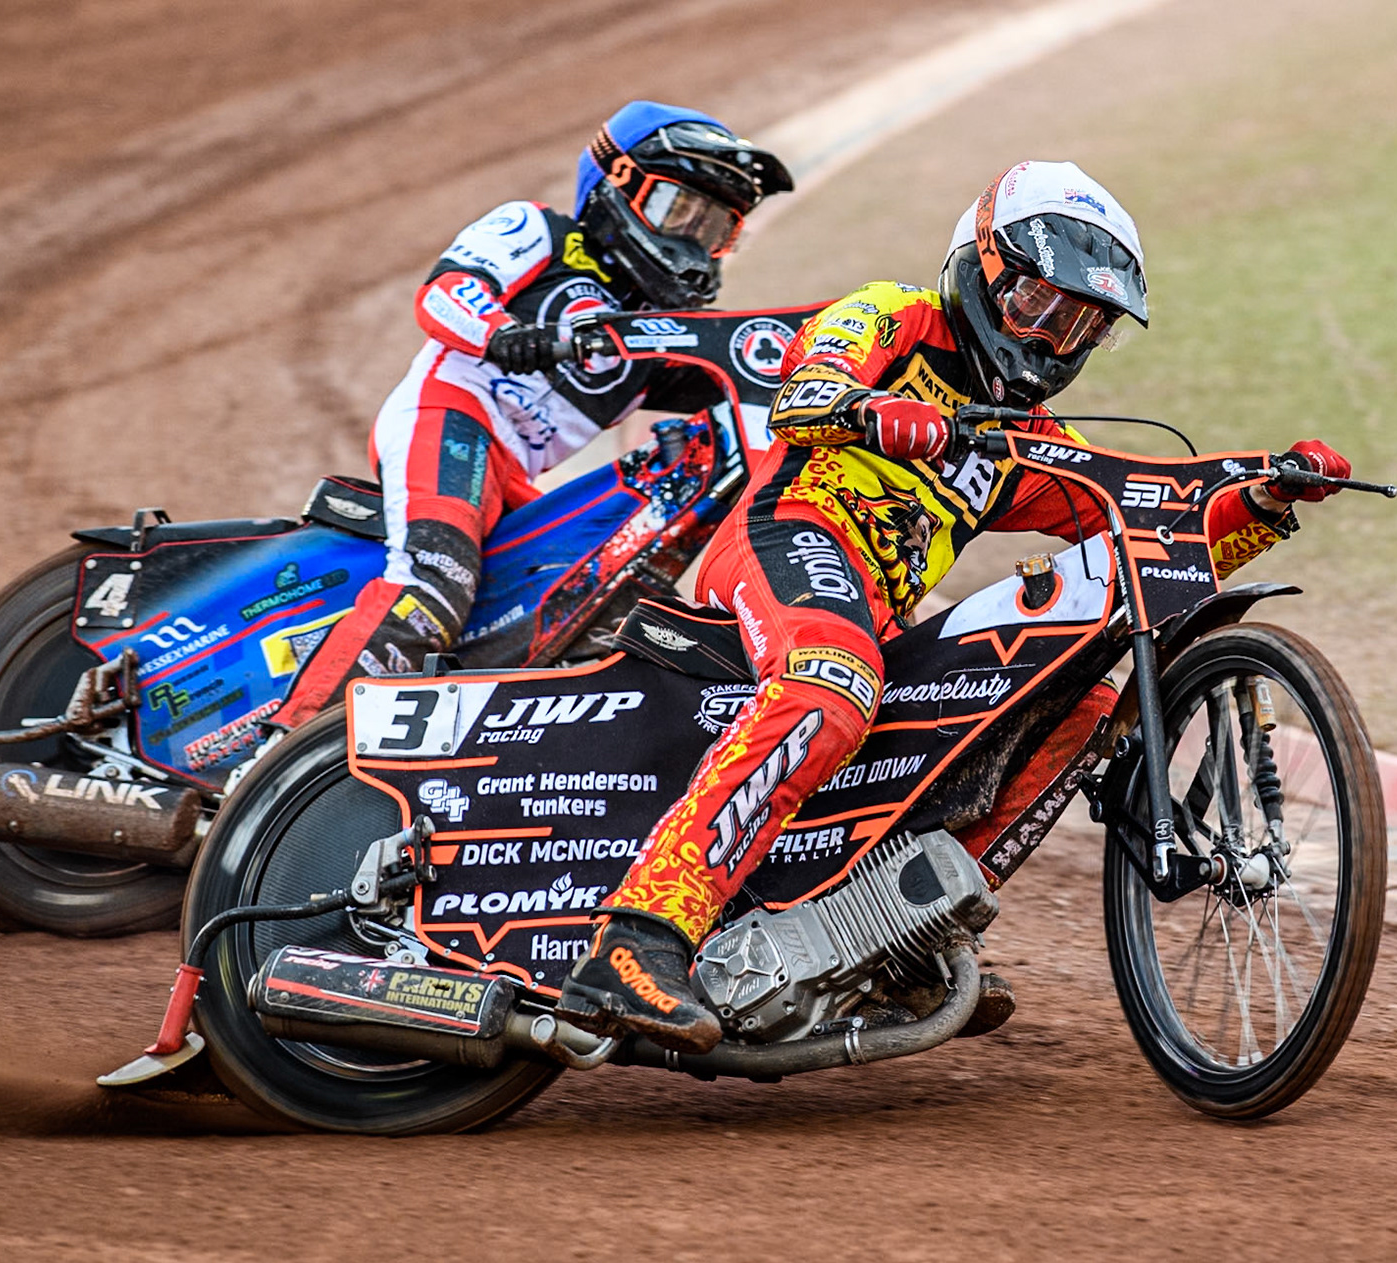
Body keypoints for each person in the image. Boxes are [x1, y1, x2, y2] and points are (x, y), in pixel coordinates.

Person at [557, 160, 1353, 1052]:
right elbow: (801, 393)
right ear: (978, 266)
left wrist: (1263, 496)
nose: (1052, 340)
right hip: (788, 537)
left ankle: (901, 937)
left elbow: (1143, 526)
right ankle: (638, 938)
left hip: (878, 613)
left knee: (1081, 698)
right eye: (1036, 306)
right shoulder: (894, 315)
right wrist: (876, 413)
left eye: (1081, 324)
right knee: (834, 683)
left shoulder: (1028, 437)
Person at [271, 101, 793, 728]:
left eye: (714, 229)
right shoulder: (540, 231)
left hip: (515, 478)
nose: (692, 242)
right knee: (434, 580)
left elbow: (745, 384)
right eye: (677, 211)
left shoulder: (658, 338)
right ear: (617, 184)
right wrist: (503, 332)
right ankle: (285, 745)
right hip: (451, 416)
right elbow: (444, 292)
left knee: (593, 607)